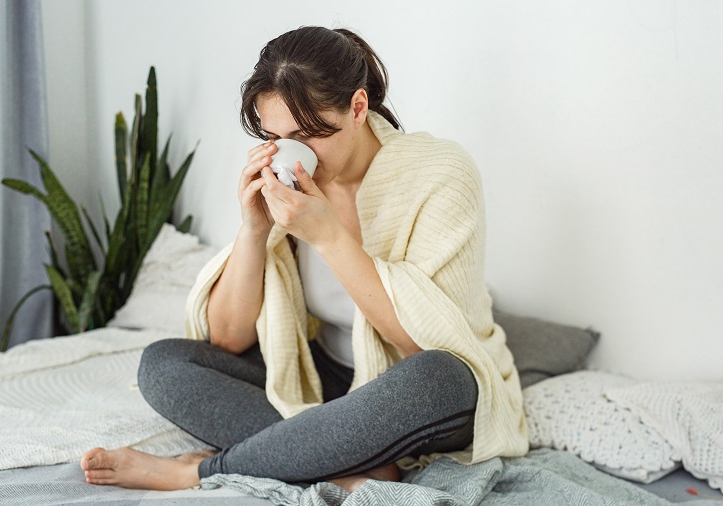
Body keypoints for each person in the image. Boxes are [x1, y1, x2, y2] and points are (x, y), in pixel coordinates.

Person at [80, 25, 528, 493]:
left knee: (440, 379)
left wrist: (330, 236)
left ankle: (200, 470)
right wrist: (254, 230)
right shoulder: (287, 183)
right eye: (275, 135)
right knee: (163, 364)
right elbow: (228, 339)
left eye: (308, 134)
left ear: (358, 108)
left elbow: (424, 342)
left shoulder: (441, 174)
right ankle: (343, 460)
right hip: (327, 378)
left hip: (413, 387)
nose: (292, 152)